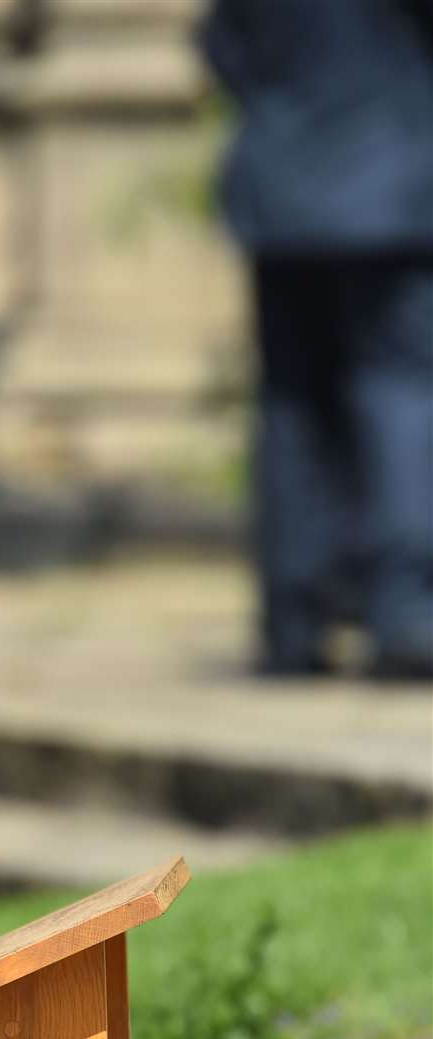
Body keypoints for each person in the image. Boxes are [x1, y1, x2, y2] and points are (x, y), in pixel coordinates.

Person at [202, 0, 433, 680]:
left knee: (290, 401)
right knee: (400, 396)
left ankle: (291, 622)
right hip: (392, 186)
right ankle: (407, 613)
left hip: (282, 189)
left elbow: (222, 50)